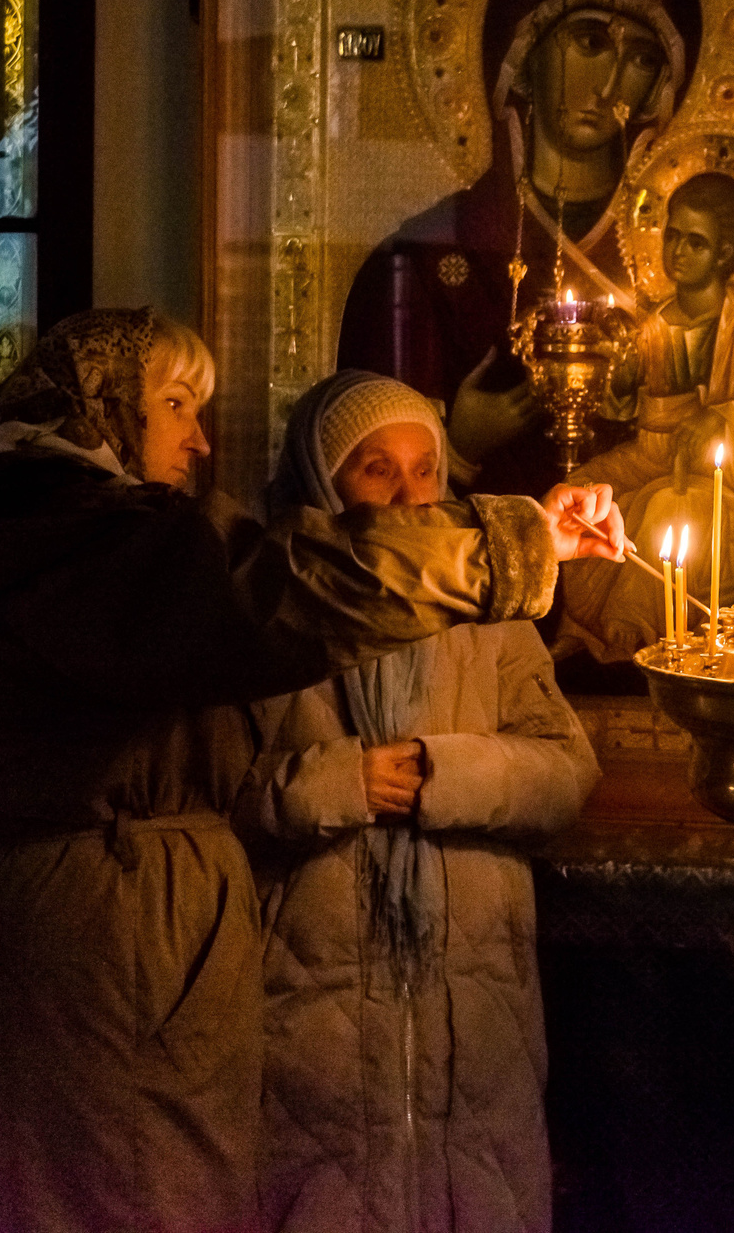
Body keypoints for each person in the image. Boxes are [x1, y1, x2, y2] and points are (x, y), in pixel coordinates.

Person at [0, 308, 622, 1233]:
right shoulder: (86, 541)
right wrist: (516, 543)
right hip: (107, 949)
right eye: (176, 402)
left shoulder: (27, 534)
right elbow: (278, 589)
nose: (199, 435)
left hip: (85, 936)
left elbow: (553, 761)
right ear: (101, 409)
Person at [243, 373, 599, 1233]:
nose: (410, 496)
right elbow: (213, 790)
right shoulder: (271, 613)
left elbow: (566, 770)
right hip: (306, 1007)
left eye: (426, 471)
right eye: (377, 470)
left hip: (473, 1010)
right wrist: (338, 783)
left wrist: (447, 773)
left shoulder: (489, 617)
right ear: (326, 483)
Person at [336, 0, 703, 500]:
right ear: (522, 60)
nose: (611, 85)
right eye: (588, 43)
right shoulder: (419, 265)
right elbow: (363, 500)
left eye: (640, 58)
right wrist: (457, 447)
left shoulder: (677, 262)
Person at [559, 171, 734, 662]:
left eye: (696, 242)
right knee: (577, 496)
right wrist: (622, 387)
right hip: (654, 457)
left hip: (728, 480)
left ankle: (632, 633)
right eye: (672, 236)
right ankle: (582, 629)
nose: (678, 252)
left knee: (668, 507)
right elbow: (630, 411)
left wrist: (723, 421)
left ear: (726, 253)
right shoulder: (654, 322)